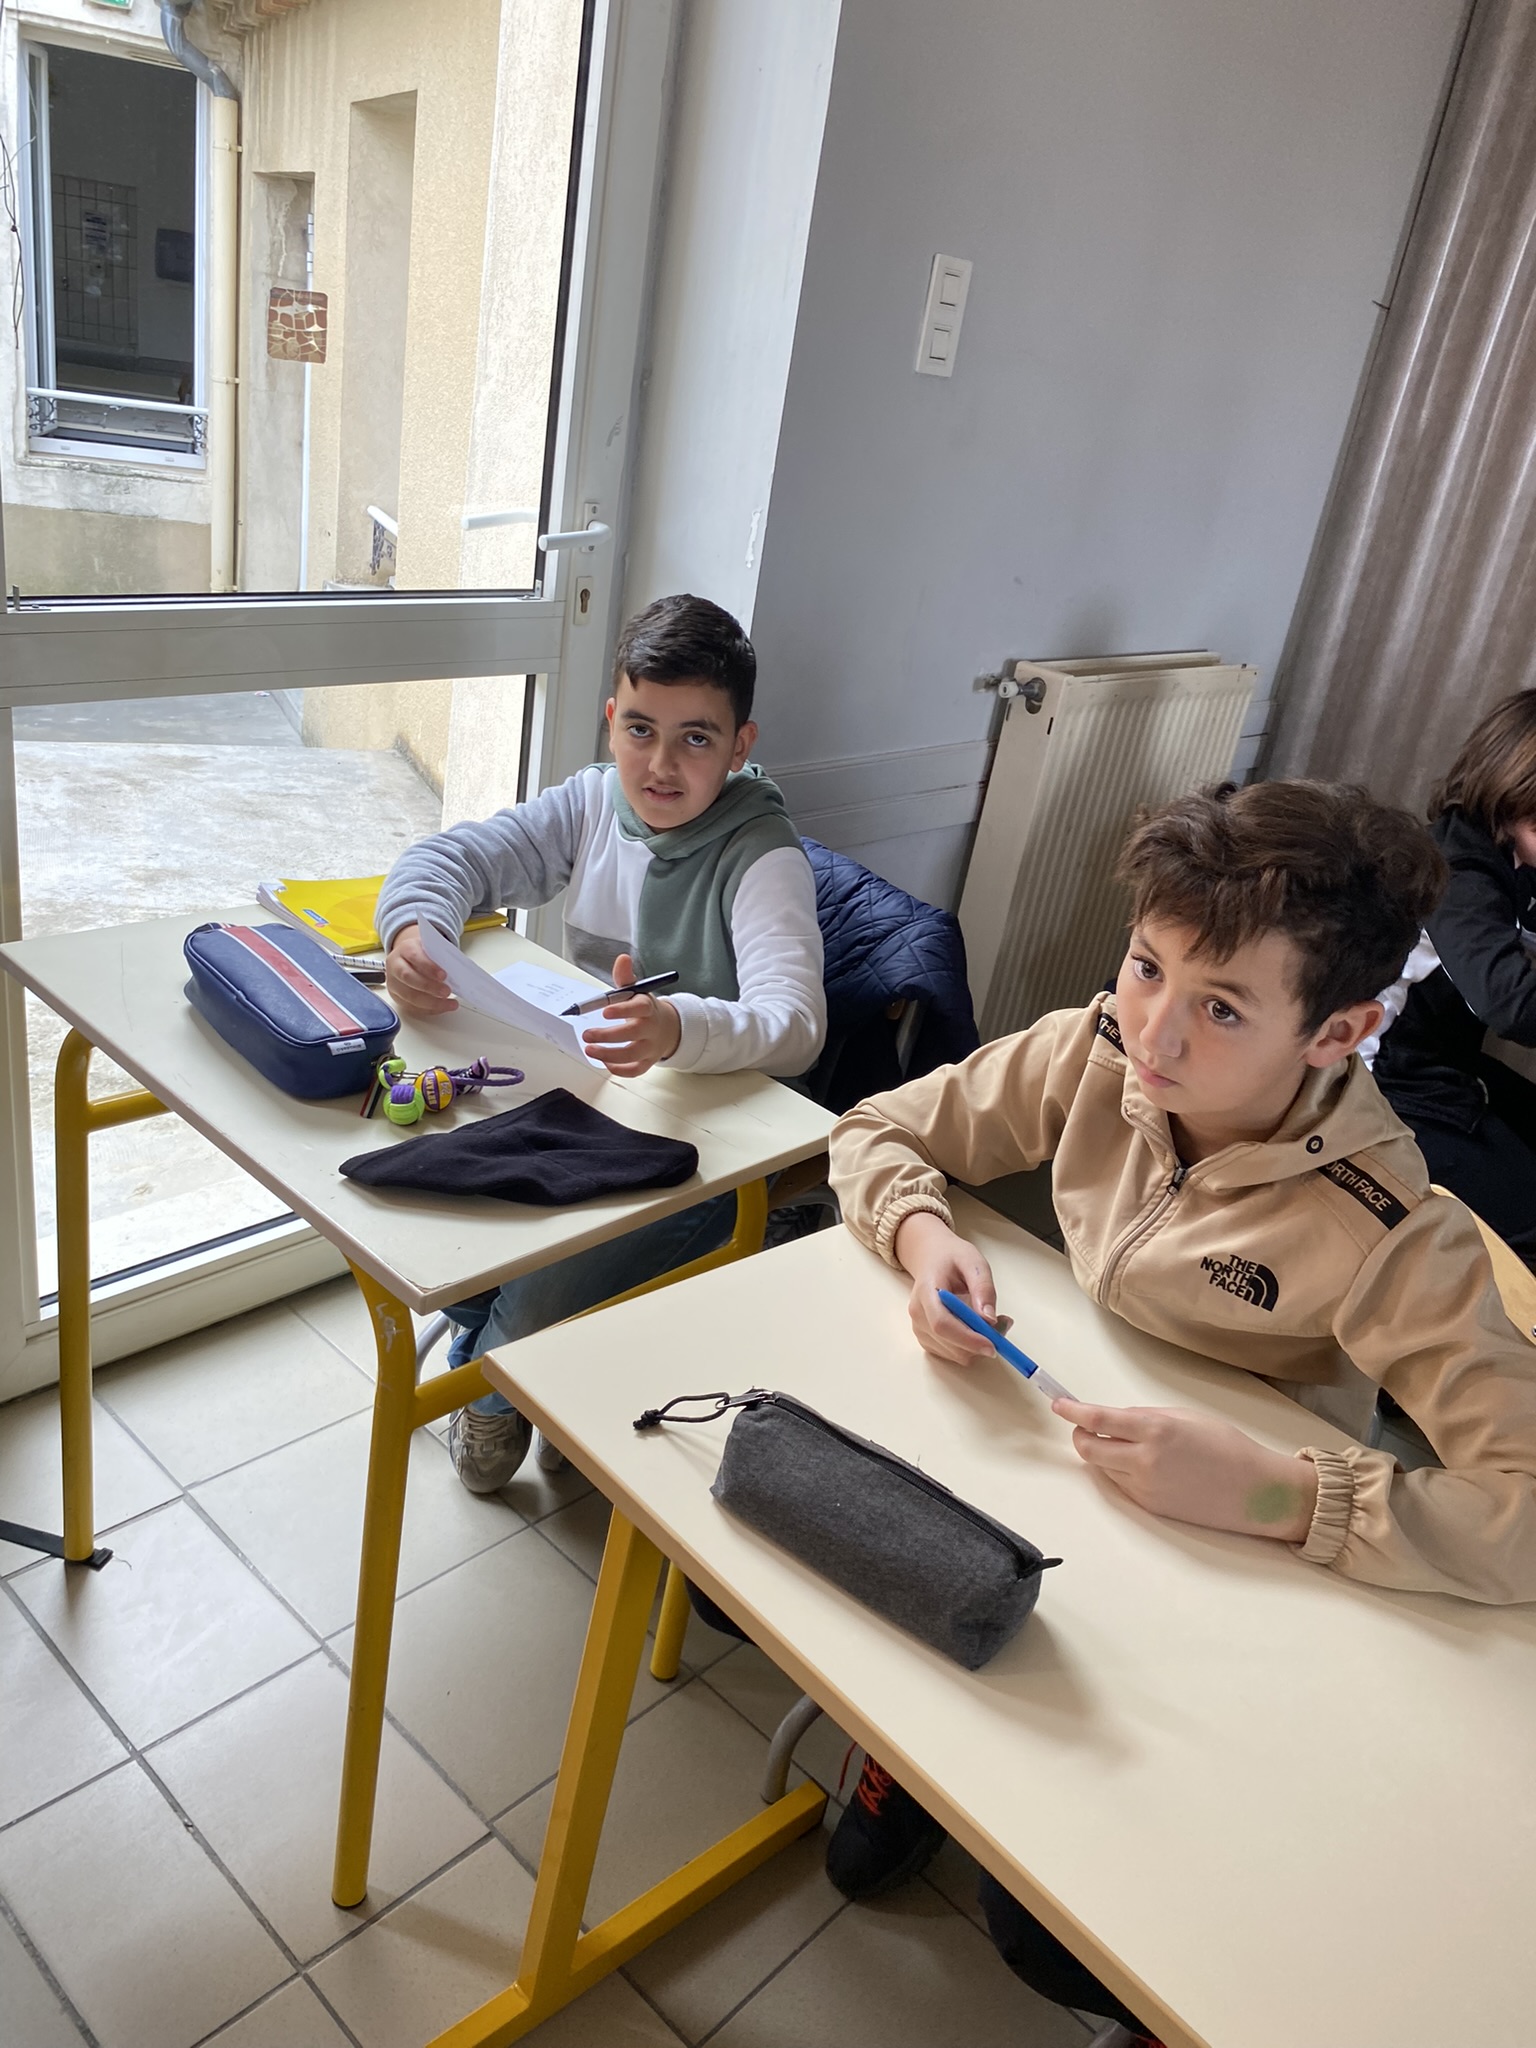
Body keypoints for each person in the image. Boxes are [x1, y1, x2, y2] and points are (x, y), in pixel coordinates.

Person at [824, 778, 1536, 2044]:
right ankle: (918, 1762)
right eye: (1147, 965)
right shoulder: (1096, 1048)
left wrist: (1270, 1488)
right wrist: (924, 1234)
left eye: (1222, 1007)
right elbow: (881, 1128)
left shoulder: (1390, 1227)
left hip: (1227, 1557)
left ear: (1340, 1031)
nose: (1154, 1031)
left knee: (1048, 1929)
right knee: (868, 1603)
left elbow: (1521, 1506)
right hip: (1052, 1468)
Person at [376, 593, 825, 1490]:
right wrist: (414, 931)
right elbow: (450, 858)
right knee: (455, 1215)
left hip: (707, 1144)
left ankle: (493, 1384)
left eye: (696, 738)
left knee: (535, 1291)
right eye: (641, 730)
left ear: (740, 746)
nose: (660, 764)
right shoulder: (592, 800)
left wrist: (678, 1026)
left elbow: (796, 1027)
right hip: (592, 1104)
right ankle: (535, 1370)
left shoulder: (762, 853)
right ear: (611, 719)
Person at [1372, 689, 1536, 1264]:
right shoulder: (1458, 870)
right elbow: (1511, 1003)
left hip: (1444, 1057)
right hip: (1384, 1080)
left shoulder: (1516, 853)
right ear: (1511, 793)